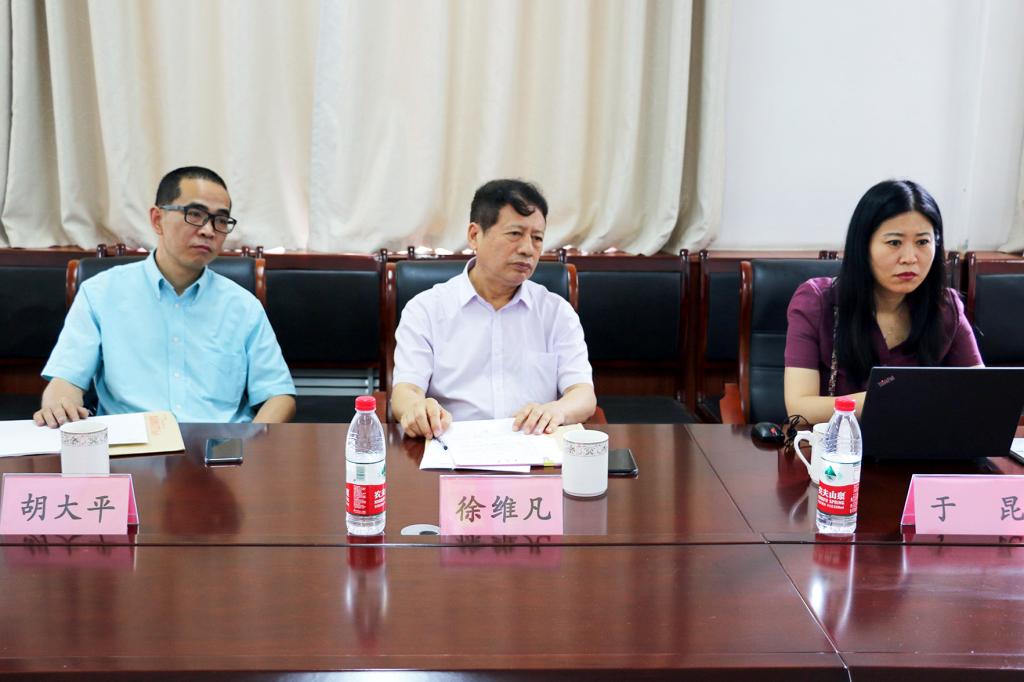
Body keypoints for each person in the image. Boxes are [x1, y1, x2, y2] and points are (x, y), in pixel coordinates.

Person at [34, 166, 296, 427]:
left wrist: (248, 442)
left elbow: (279, 395)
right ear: (157, 219)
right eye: (195, 214)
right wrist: (60, 405)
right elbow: (66, 380)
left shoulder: (243, 306)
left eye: (220, 220)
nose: (208, 230)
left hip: (220, 445)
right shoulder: (100, 293)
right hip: (130, 442)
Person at [391, 178, 596, 438]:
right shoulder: (426, 310)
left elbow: (583, 394)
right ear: (475, 235)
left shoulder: (556, 312)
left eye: (537, 238)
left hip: (534, 447)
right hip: (453, 446)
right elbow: (405, 392)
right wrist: (418, 410)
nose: (527, 249)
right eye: (515, 234)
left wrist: (556, 411)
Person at [784, 179, 982, 424]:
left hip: (918, 444)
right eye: (894, 243)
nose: (910, 258)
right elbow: (800, 409)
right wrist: (896, 397)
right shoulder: (816, 301)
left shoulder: (945, 306)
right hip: (840, 445)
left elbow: (980, 392)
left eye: (922, 242)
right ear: (863, 246)